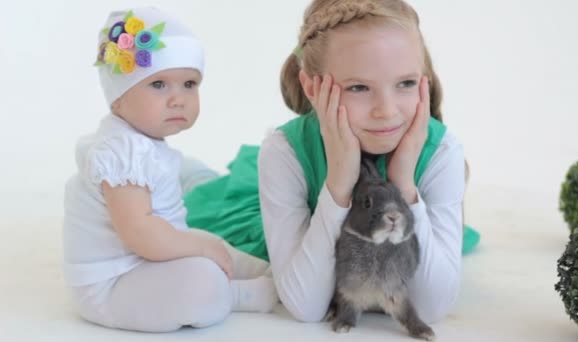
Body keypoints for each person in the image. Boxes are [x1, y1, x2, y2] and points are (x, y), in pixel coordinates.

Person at [257, 0, 479, 323]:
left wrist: (403, 183)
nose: (386, 111)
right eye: (359, 87)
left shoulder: (443, 152)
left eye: (405, 83)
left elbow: (431, 307)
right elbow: (306, 306)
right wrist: (338, 186)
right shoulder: (284, 153)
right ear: (310, 87)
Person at [62, 6, 277, 333]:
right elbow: (140, 234)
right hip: (114, 284)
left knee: (208, 239)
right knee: (201, 279)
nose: (179, 98)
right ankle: (235, 294)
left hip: (148, 259)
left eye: (189, 83)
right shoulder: (122, 151)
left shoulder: (141, 142)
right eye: (159, 84)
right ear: (117, 98)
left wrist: (203, 244)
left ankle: (270, 272)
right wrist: (201, 250)